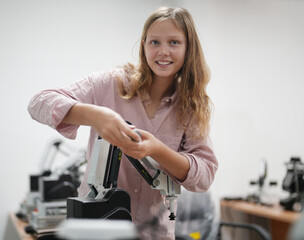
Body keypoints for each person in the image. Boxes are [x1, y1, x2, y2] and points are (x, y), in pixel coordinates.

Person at [28, 6, 218, 240]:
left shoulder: (191, 106)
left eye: (174, 43)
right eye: (154, 42)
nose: (163, 52)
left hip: (153, 233)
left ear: (189, 49)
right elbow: (39, 103)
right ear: (143, 46)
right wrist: (96, 115)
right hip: (96, 228)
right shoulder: (111, 83)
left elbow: (205, 175)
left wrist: (158, 150)